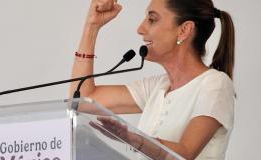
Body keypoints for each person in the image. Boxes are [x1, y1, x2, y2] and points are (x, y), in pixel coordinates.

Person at [70, 0, 235, 159]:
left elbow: (184, 153)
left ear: (184, 30)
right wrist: (91, 27)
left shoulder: (215, 83)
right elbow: (82, 102)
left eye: (152, 19)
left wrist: (132, 139)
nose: (140, 29)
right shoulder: (157, 87)